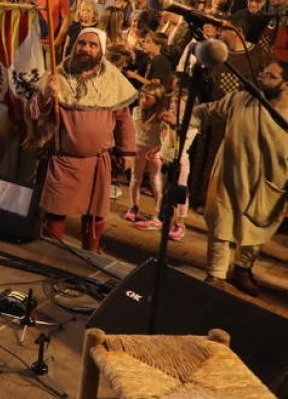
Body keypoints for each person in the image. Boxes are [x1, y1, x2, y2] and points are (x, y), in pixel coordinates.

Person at [33, 27, 137, 252]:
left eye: (92, 45)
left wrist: (127, 151)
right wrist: (47, 94)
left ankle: (91, 257)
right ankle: (49, 256)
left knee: (94, 215)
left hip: (96, 163)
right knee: (54, 214)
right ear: (74, 46)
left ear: (101, 50)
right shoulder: (56, 74)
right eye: (82, 43)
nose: (86, 49)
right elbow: (35, 112)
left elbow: (123, 120)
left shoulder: (113, 80)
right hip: (63, 161)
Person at [191, 60, 288, 296]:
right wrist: (183, 119)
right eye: (262, 73)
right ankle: (216, 275)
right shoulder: (241, 99)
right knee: (221, 224)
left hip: (270, 185)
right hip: (231, 177)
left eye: (270, 76)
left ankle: (241, 270)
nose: (262, 78)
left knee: (258, 228)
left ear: (286, 84)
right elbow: (207, 111)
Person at [124, 81, 179, 236]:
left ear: (157, 99)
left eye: (147, 98)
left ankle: (157, 214)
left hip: (155, 149)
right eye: (142, 96)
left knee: (156, 181)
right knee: (136, 178)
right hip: (139, 147)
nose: (142, 100)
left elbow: (167, 135)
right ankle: (134, 206)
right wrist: (157, 116)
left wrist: (161, 147)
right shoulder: (136, 110)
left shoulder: (163, 114)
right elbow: (143, 126)